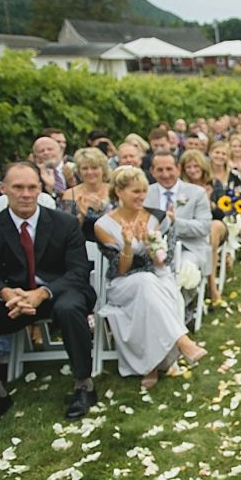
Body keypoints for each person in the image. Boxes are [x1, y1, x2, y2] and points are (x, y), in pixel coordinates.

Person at [0, 162, 97, 425]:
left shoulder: (65, 223)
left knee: (69, 309)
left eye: (32, 187)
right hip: (16, 297)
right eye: (18, 187)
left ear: (40, 189)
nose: (25, 194)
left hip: (61, 291)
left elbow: (78, 272)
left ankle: (85, 385)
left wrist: (43, 292)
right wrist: (6, 293)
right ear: (3, 190)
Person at [94, 166, 207, 389]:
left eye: (144, 191)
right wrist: (127, 244)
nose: (142, 196)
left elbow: (166, 260)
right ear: (119, 192)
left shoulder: (159, 217)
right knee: (145, 283)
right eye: (135, 191)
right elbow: (120, 270)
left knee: (153, 287)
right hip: (123, 283)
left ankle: (152, 365)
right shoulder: (103, 225)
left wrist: (150, 245)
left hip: (157, 274)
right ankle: (182, 341)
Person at [144, 150, 213, 285]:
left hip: (189, 248)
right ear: (152, 171)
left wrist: (175, 222)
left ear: (178, 169)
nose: (165, 174)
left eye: (169, 169)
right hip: (151, 251)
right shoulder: (144, 193)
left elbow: (204, 228)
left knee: (184, 271)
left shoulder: (197, 193)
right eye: (160, 170)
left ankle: (179, 305)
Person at [180, 150, 226, 305]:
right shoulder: (182, 188)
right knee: (204, 237)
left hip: (216, 225)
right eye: (189, 167)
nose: (192, 170)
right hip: (191, 232)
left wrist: (208, 201)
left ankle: (211, 284)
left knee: (212, 229)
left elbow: (222, 212)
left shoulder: (214, 184)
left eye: (196, 166)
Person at [59, 147, 112, 243]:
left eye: (94, 168)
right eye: (85, 168)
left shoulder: (115, 191)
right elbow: (63, 232)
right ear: (78, 171)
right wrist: (82, 213)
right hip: (80, 245)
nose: (90, 172)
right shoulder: (69, 194)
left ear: (103, 169)